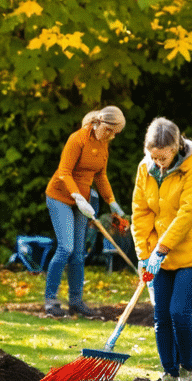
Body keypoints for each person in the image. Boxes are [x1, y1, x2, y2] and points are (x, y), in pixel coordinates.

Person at [132, 117, 192, 381]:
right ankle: (168, 375)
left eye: (164, 157)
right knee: (161, 315)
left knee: (179, 312)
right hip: (159, 255)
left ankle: (187, 370)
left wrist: (161, 249)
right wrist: (144, 254)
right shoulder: (146, 169)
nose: (159, 162)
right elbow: (140, 212)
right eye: (154, 156)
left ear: (176, 146)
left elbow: (188, 213)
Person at [43, 106, 130, 317]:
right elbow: (64, 171)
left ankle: (76, 302)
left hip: (84, 201)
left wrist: (112, 202)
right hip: (60, 196)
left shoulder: (103, 145)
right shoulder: (77, 139)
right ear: (100, 123)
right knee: (66, 248)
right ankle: (50, 301)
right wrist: (78, 197)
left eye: (115, 134)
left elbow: (100, 176)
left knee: (79, 254)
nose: (110, 136)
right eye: (109, 131)